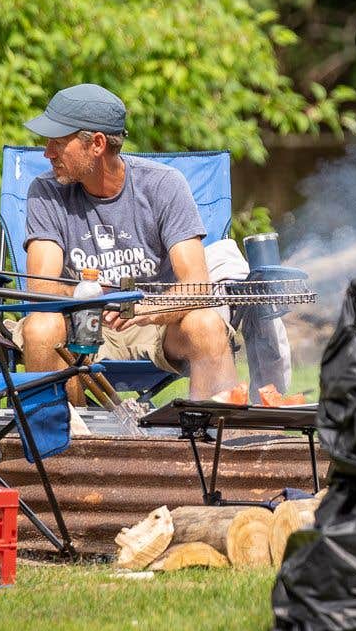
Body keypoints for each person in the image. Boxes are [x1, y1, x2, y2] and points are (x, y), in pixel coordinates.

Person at [14, 84, 242, 401]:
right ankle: (59, 431)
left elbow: (197, 286)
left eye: (58, 142)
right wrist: (88, 295)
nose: (47, 153)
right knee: (40, 327)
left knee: (207, 324)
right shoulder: (46, 191)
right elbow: (41, 288)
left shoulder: (163, 185)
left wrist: (146, 308)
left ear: (97, 144)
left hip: (155, 325)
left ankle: (209, 431)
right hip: (78, 324)